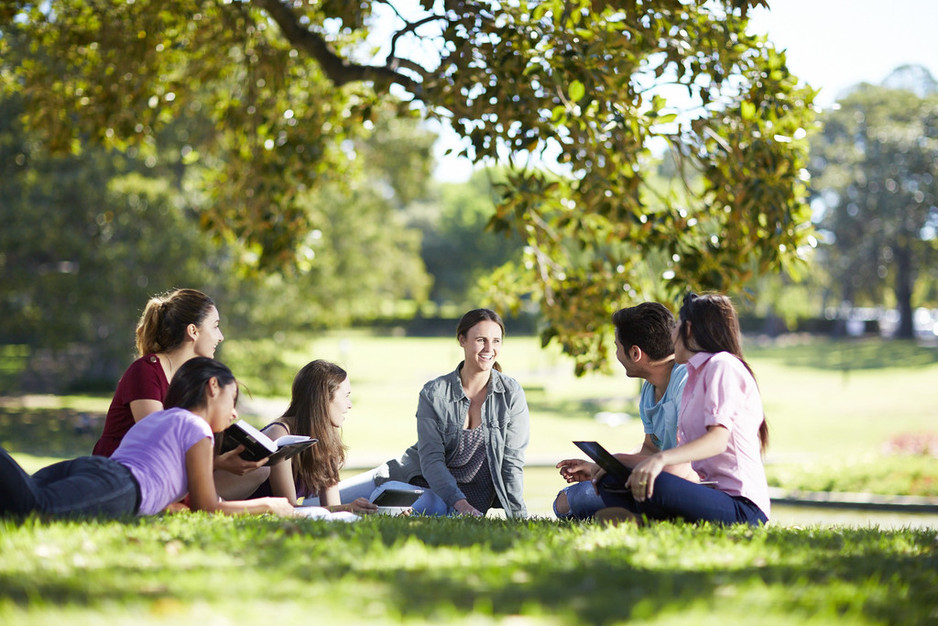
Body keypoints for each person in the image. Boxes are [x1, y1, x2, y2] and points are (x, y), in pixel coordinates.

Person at [0, 358, 298, 519]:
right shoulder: (198, 428)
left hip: (90, 468)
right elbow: (207, 506)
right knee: (33, 508)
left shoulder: (163, 417)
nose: (234, 414)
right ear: (212, 387)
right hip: (121, 485)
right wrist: (270, 505)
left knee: (13, 504)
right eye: (232, 400)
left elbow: (165, 477)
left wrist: (219, 464)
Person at [593, 293, 771, 527]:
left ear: (687, 329)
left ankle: (648, 519)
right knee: (615, 480)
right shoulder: (694, 375)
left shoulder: (722, 365)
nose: (671, 335)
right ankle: (651, 519)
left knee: (658, 483)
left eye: (675, 326)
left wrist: (660, 460)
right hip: (707, 493)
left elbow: (717, 440)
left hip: (741, 506)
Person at [339, 308, 530, 517]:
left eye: (496, 341)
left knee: (389, 503)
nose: (489, 348)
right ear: (462, 340)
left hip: (455, 502)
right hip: (414, 481)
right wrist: (461, 504)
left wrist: (518, 517)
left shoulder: (511, 394)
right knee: (314, 502)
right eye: (481, 340)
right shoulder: (435, 393)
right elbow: (431, 461)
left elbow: (511, 463)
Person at [553, 302, 689, 519]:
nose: (616, 353)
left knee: (578, 500)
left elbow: (687, 462)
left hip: (685, 484)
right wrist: (601, 467)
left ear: (635, 353)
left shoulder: (685, 380)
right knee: (565, 501)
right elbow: (650, 448)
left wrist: (618, 463)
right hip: (655, 479)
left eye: (617, 346)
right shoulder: (649, 388)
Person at [92, 288, 224, 457]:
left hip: (165, 471)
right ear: (193, 331)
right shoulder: (145, 371)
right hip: (124, 474)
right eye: (215, 326)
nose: (220, 337)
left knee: (262, 467)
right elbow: (158, 441)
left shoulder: (189, 379)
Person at [244, 360, 379, 515]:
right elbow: (289, 510)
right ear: (323, 400)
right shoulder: (280, 434)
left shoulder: (327, 439)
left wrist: (349, 510)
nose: (350, 405)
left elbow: (333, 507)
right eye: (346, 396)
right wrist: (346, 508)